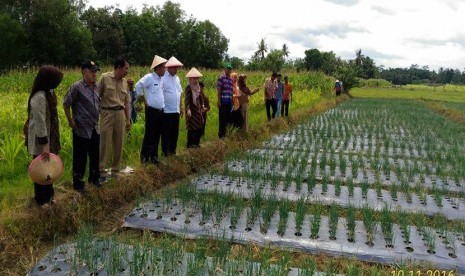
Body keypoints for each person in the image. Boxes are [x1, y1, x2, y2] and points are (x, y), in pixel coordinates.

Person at [26, 66, 63, 207]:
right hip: (41, 141)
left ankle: (49, 195)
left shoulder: (48, 93)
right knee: (40, 169)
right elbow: (40, 123)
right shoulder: (39, 97)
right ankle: (41, 200)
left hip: (49, 138)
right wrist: (45, 145)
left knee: (49, 169)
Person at [63, 60, 101, 194]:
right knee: (80, 158)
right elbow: (66, 103)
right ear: (84, 72)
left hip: (95, 127)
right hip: (81, 128)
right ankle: (78, 185)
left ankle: (94, 179)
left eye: (95, 71)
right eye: (92, 71)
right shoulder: (76, 87)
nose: (94, 74)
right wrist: (70, 120)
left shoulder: (96, 87)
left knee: (95, 155)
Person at [97, 57, 130, 178]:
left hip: (120, 114)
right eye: (126, 68)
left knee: (119, 142)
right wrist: (99, 113)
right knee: (105, 143)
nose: (127, 71)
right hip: (107, 113)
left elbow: (127, 103)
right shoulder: (104, 78)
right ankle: (101, 171)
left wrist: (127, 119)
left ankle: (116, 170)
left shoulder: (125, 82)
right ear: (119, 67)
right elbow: (96, 96)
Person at [135, 55, 167, 164]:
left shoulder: (161, 79)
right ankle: (144, 157)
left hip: (160, 110)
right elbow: (138, 85)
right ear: (157, 68)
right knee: (149, 134)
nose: (165, 69)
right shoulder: (149, 77)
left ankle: (154, 156)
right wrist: (143, 99)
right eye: (163, 67)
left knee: (157, 134)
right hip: (152, 111)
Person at [161, 56, 183, 156]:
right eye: (174, 67)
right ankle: (165, 152)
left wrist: (181, 106)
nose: (176, 69)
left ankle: (172, 151)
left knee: (175, 132)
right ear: (169, 67)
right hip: (166, 110)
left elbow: (179, 93)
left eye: (177, 68)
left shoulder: (177, 78)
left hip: (176, 110)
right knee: (166, 132)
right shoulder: (163, 77)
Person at [185, 68, 207, 148]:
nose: (195, 80)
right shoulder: (188, 88)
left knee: (199, 126)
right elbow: (187, 100)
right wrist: (188, 109)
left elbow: (201, 98)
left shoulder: (198, 87)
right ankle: (190, 144)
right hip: (191, 109)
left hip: (198, 109)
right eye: (194, 78)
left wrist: (203, 106)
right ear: (190, 79)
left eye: (197, 78)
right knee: (192, 128)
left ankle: (197, 143)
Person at [217, 63, 234, 138]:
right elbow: (218, 90)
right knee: (222, 119)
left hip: (229, 102)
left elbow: (231, 91)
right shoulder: (221, 77)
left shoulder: (231, 79)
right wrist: (219, 101)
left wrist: (232, 101)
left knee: (228, 118)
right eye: (228, 68)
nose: (229, 70)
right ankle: (221, 135)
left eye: (230, 69)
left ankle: (226, 134)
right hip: (223, 101)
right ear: (225, 69)